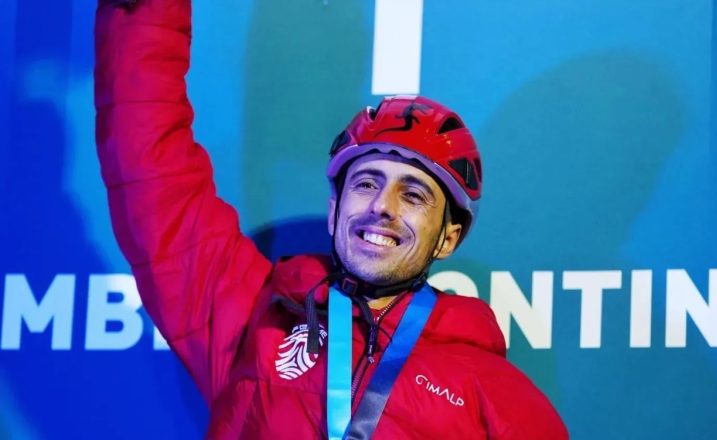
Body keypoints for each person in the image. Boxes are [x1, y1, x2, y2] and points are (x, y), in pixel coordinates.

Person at [94, 0, 568, 438]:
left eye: (414, 194)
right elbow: (148, 163)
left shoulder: (497, 394)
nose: (382, 206)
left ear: (448, 238)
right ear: (333, 210)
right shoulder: (252, 316)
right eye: (365, 183)